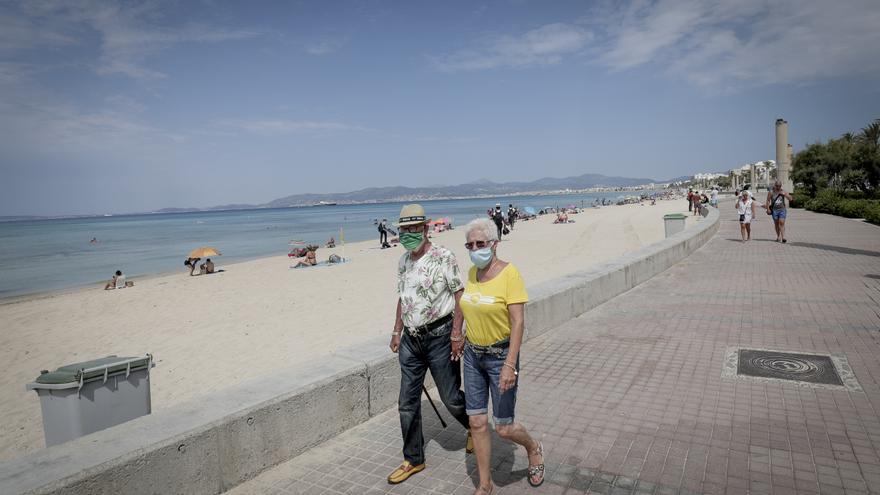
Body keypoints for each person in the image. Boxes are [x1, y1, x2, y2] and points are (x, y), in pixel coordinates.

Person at [387, 204, 472, 485]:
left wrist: (457, 334)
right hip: (411, 340)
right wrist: (397, 330)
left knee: (450, 397)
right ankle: (413, 459)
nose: (409, 234)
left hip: (440, 336)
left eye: (414, 229)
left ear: (426, 228)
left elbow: (460, 294)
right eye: (404, 230)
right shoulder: (403, 261)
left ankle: (475, 427)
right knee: (406, 402)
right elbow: (403, 297)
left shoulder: (444, 256)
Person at [459, 218, 544, 494]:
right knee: (477, 422)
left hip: (500, 357)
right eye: (470, 245)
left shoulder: (510, 274)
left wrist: (509, 365)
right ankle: (485, 485)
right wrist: (457, 336)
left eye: (480, 243)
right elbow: (463, 307)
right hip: (473, 356)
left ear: (494, 244)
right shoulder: (472, 273)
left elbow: (518, 322)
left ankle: (533, 447)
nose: (474, 249)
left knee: (504, 428)